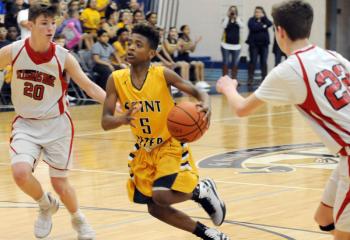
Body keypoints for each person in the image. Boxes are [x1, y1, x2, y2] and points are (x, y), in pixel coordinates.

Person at [216, 1, 350, 239]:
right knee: (324, 218)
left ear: (279, 31)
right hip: (344, 157)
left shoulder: (288, 69)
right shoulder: (332, 56)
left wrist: (228, 87)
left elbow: (242, 109)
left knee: (343, 235)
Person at [101, 23, 230, 240]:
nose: (130, 47)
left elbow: (198, 91)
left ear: (151, 53)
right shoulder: (116, 79)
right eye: (129, 43)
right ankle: (208, 233)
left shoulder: (162, 74)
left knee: (161, 195)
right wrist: (122, 119)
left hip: (170, 145)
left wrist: (206, 103)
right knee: (154, 207)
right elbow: (105, 121)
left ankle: (200, 190)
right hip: (144, 150)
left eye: (138, 45)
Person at [1, 2, 107, 239]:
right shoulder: (13, 51)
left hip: (57, 124)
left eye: (53, 23)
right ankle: (44, 204)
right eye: (44, 23)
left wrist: (115, 105)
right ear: (31, 25)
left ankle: (78, 219)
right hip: (26, 123)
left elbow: (89, 87)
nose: (50, 28)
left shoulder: (63, 56)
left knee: (60, 184)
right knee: (20, 173)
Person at [245, 6, 272, 86]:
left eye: (259, 12)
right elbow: (253, 28)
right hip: (254, 45)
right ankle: (250, 79)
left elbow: (270, 24)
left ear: (262, 13)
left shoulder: (265, 20)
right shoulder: (251, 20)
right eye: (256, 12)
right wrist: (263, 26)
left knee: (263, 62)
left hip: (264, 45)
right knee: (253, 61)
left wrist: (264, 19)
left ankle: (264, 79)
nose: (257, 13)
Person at [221, 5, 243, 79]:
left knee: (235, 63)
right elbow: (223, 26)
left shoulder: (239, 19)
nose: (232, 12)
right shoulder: (225, 19)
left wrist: (236, 18)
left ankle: (234, 79)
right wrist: (228, 17)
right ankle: (225, 79)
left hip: (236, 46)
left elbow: (242, 26)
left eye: (234, 11)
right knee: (226, 62)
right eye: (231, 10)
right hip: (225, 45)